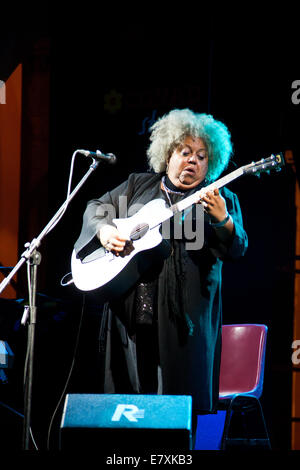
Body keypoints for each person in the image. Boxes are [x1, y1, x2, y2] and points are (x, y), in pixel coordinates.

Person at [74, 109, 248, 433]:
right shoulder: (138, 186)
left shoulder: (219, 199)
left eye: (202, 156)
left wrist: (223, 220)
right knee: (127, 408)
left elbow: (237, 248)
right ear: (168, 153)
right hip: (131, 319)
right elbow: (94, 209)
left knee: (182, 413)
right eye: (185, 152)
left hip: (184, 326)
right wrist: (103, 231)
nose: (193, 161)